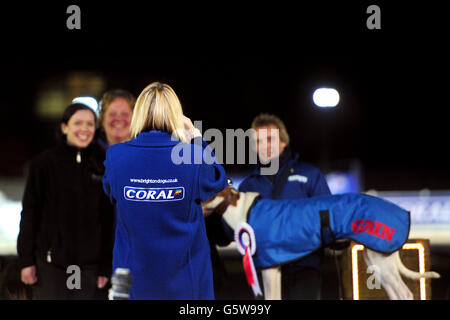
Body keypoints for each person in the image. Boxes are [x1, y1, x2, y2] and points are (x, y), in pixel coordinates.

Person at [102, 82, 228, 300]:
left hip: (133, 285)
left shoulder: (116, 156)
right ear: (175, 115)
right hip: (185, 285)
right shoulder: (191, 157)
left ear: (138, 114)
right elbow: (217, 180)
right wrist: (195, 135)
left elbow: (110, 191)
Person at [17, 103, 114, 300]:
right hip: (51, 266)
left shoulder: (104, 164)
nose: (84, 129)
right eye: (78, 123)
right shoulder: (43, 164)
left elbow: (107, 218)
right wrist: (26, 261)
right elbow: (30, 214)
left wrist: (105, 265)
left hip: (89, 268)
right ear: (64, 127)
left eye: (89, 124)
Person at [238, 113, 331, 300]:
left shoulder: (311, 175)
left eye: (270, 139)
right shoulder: (247, 185)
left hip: (304, 266)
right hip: (264, 268)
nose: (265, 146)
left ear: (283, 142)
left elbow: (328, 217)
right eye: (259, 141)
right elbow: (239, 228)